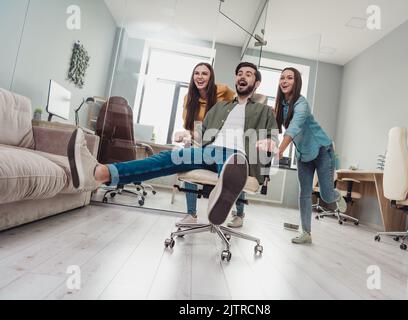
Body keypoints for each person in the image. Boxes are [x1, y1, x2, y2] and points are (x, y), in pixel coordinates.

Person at [68, 62, 278, 227]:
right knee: (166, 158)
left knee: (232, 164)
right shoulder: (220, 107)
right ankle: (103, 173)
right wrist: (187, 135)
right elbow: (203, 133)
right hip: (208, 152)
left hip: (238, 155)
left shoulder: (264, 111)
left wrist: (270, 142)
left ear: (257, 83)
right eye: (240, 73)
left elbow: (274, 140)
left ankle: (223, 194)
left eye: (248, 74)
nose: (242, 76)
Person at [274, 67, 347, 245]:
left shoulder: (301, 103)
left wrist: (280, 150)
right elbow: (274, 127)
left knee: (326, 196)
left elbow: (294, 127)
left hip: (322, 149)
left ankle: (337, 196)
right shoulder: (281, 106)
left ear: (297, 81)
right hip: (303, 154)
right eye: (282, 78)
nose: (284, 81)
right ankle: (306, 233)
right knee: (304, 193)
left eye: (289, 78)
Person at [180, 63, 246, 227]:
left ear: (211, 77)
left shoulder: (223, 91)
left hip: (223, 142)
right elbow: (190, 125)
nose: (200, 77)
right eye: (196, 73)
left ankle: (239, 214)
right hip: (201, 141)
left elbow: (242, 103)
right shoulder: (188, 98)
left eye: (204, 73)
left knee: (235, 165)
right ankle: (191, 213)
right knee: (188, 154)